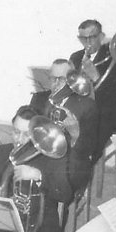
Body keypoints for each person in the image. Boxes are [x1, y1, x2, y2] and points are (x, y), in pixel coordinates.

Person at [29, 58, 99, 191]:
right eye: (53, 78)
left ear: (71, 81)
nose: (56, 83)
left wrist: (75, 133)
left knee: (56, 185)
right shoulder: (38, 99)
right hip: (40, 156)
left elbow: (89, 150)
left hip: (69, 161)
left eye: (61, 79)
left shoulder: (87, 106)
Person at [69, 19, 116, 163]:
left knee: (89, 141)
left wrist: (95, 77)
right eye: (83, 38)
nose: (87, 43)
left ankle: (85, 165)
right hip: (79, 111)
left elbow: (111, 95)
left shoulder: (114, 60)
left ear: (101, 36)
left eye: (92, 37)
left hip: (104, 113)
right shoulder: (75, 57)